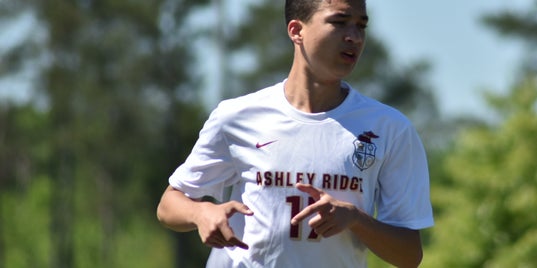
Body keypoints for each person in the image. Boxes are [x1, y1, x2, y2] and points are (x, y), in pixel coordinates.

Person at [156, 0, 434, 267]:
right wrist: (201, 212)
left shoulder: (390, 128)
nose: (355, 37)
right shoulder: (236, 116)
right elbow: (169, 205)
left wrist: (355, 219)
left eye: (361, 25)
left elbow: (409, 255)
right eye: (339, 22)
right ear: (296, 30)